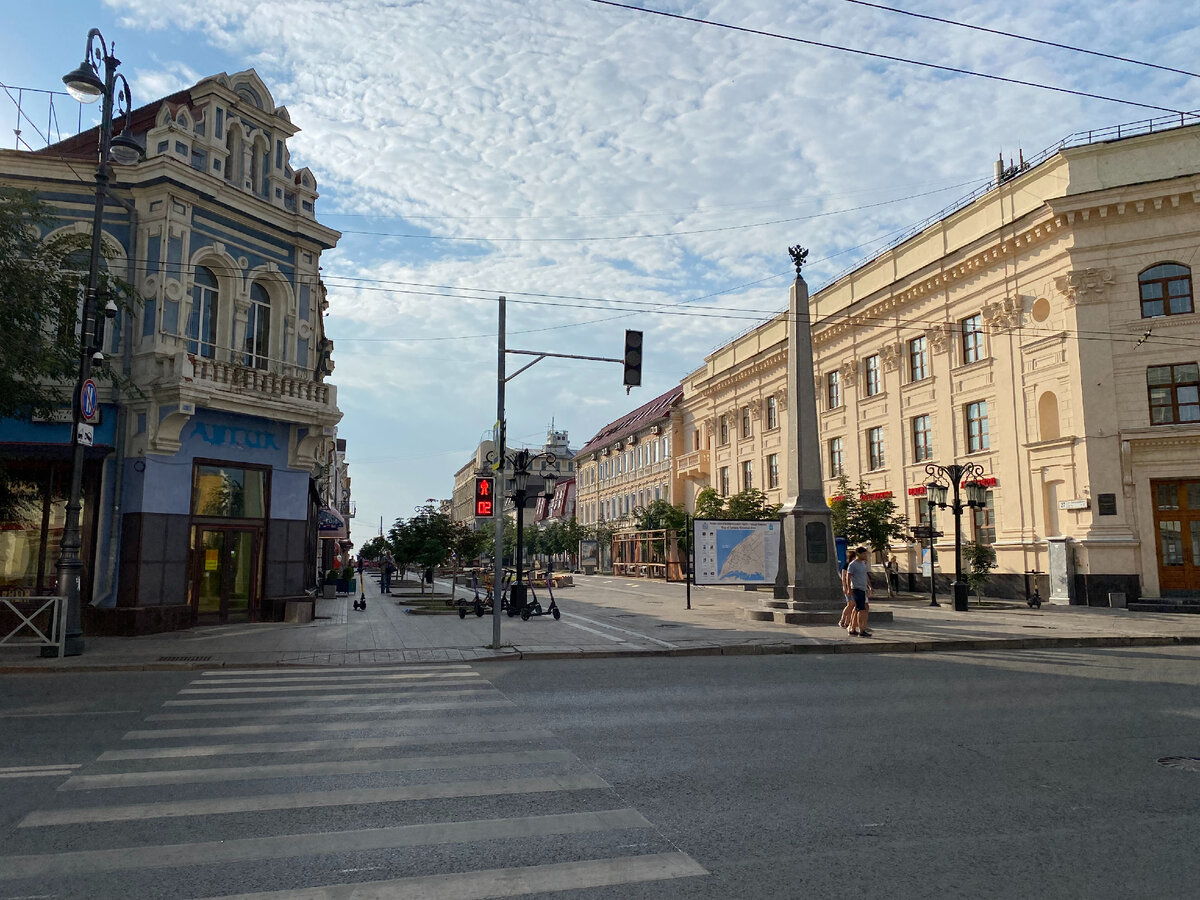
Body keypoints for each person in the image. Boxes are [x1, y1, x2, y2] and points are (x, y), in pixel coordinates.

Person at [845, 546, 873, 637]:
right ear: (858, 554)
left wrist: (870, 586)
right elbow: (848, 577)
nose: (865, 555)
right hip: (857, 589)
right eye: (864, 554)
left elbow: (865, 576)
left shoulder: (863, 564)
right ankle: (861, 630)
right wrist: (848, 588)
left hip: (863, 589)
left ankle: (852, 628)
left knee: (860, 609)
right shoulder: (853, 564)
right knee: (861, 609)